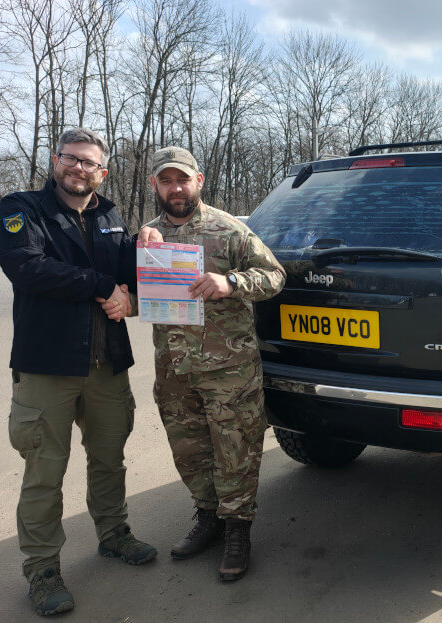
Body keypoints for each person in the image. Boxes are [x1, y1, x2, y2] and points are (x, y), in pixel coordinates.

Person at [0, 128, 156, 617]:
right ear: (55, 160)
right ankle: (42, 571)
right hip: (48, 367)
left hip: (107, 364)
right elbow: (29, 268)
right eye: (71, 159)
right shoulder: (21, 208)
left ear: (101, 172)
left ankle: (113, 533)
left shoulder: (109, 215)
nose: (78, 168)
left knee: (109, 459)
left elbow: (132, 270)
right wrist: (106, 285)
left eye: (89, 163)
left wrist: (147, 243)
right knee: (45, 472)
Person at [140, 146, 285, 581]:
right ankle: (208, 517)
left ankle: (238, 529)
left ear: (198, 181)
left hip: (229, 370)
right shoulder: (147, 236)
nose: (176, 188)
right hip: (174, 370)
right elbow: (137, 293)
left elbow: (275, 276)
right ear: (155, 186)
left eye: (183, 179)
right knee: (190, 450)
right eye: (166, 180)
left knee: (235, 450)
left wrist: (232, 281)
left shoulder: (229, 231)